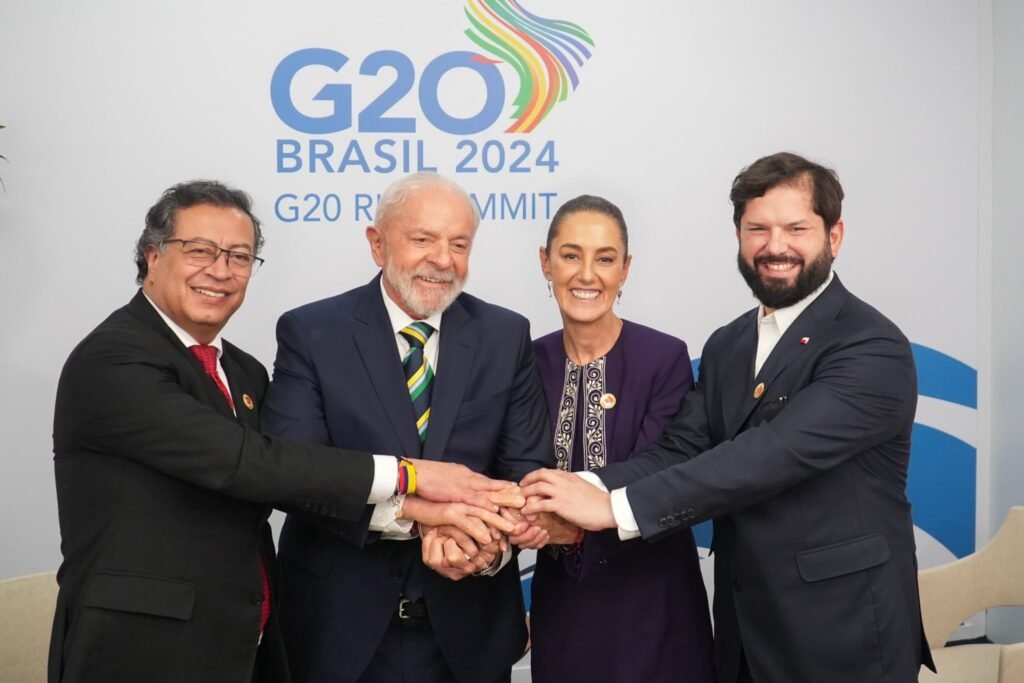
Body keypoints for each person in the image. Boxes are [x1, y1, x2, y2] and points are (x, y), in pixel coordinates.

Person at [50, 180, 509, 683]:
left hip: (242, 644)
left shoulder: (242, 372)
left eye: (240, 256)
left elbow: (289, 477)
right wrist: (410, 477)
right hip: (139, 652)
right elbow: (248, 462)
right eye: (200, 251)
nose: (220, 271)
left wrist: (425, 512)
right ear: (152, 256)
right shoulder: (112, 360)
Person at [522, 152, 937, 682]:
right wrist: (573, 490)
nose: (774, 246)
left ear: (834, 237)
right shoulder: (729, 344)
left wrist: (613, 508)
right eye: (757, 228)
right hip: (744, 631)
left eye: (796, 228)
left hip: (842, 634)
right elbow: (680, 450)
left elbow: (769, 456)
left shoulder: (870, 346)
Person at [261, 172, 553, 683]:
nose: (442, 258)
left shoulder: (506, 336)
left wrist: (485, 548)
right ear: (377, 244)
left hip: (467, 634)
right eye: (423, 239)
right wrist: (419, 516)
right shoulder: (311, 333)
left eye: (458, 243)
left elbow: (527, 472)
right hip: (337, 634)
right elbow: (295, 472)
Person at [526, 195, 715, 682]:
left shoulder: (665, 357)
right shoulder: (525, 363)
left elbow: (666, 466)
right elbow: (513, 467)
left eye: (605, 259)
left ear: (625, 270)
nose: (587, 275)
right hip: (561, 602)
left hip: (652, 603)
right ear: (545, 262)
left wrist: (574, 505)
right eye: (570, 255)